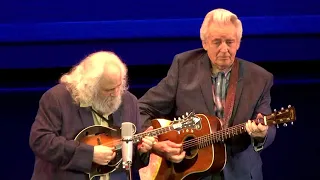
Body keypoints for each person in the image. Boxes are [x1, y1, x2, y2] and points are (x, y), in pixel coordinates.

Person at [138, 8, 276, 180]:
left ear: (239, 43)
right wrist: (156, 142)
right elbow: (142, 109)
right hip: (189, 172)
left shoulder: (260, 78)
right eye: (217, 42)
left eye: (230, 42)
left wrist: (261, 134)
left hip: (240, 173)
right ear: (204, 43)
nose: (224, 49)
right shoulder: (184, 66)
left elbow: (268, 126)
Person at [29, 51, 156, 180]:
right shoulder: (58, 98)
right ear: (90, 86)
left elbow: (132, 161)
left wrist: (142, 150)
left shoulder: (129, 101)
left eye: (119, 86)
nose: (117, 94)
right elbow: (41, 141)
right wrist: (90, 154)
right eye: (108, 90)